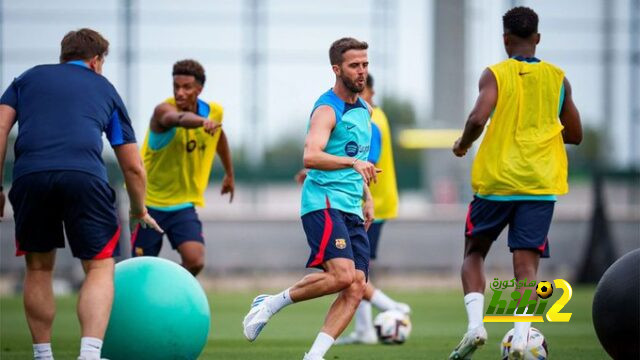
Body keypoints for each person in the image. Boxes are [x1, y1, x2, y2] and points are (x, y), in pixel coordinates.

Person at [0, 28, 162, 360]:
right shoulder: (104, 89)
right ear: (96, 60)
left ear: (64, 55)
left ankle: (43, 355)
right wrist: (139, 209)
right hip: (84, 177)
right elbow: (132, 166)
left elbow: (1, 127)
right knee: (100, 268)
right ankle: (89, 355)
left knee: (39, 268)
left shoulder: (25, 81)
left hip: (31, 176)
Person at [448, 7, 582, 360]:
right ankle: (522, 338)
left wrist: (463, 143)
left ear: (505, 38)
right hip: (539, 184)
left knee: (474, 252)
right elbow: (576, 133)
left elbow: (478, 116)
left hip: (496, 181)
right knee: (526, 267)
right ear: (537, 38)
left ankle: (476, 327)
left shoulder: (495, 74)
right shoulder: (558, 78)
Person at [243, 37, 378, 360]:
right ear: (336, 69)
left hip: (351, 207)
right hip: (323, 202)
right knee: (343, 275)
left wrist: (367, 196)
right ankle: (270, 303)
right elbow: (311, 156)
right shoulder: (326, 109)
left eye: (365, 65)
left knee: (356, 286)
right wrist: (352, 164)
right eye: (354, 65)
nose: (361, 71)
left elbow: (358, 158)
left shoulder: (366, 110)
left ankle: (313, 357)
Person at [130, 59, 234, 276]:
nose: (180, 92)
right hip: (147, 205)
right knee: (140, 270)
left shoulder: (214, 112)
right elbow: (176, 118)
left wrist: (229, 174)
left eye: (186, 87)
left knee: (195, 261)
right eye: (176, 87)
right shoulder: (162, 111)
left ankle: (167, 291)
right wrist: (200, 122)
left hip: (182, 205)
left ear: (199, 89)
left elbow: (220, 137)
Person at [336, 74, 410, 345]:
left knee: (355, 268)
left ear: (367, 90)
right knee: (356, 267)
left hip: (370, 205)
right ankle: (366, 327)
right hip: (367, 204)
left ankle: (391, 309)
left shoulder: (372, 121)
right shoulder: (370, 116)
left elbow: (367, 162)